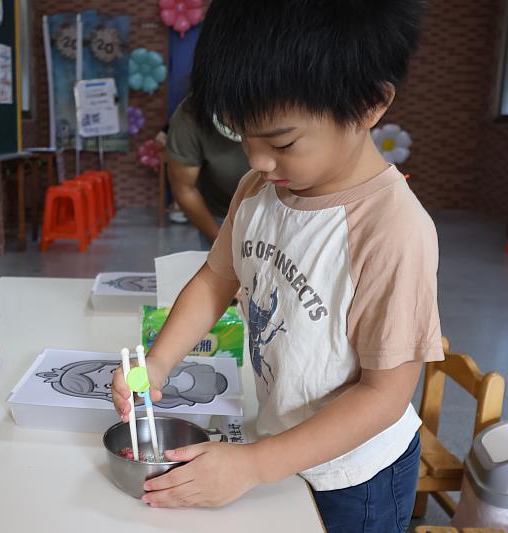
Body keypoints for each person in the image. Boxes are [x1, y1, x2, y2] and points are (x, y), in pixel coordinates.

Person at [112, 1, 443, 531]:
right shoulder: (260, 191)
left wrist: (254, 465)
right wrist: (157, 364)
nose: (259, 160)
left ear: (369, 105)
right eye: (243, 135)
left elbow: (385, 395)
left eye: (283, 142)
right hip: (280, 447)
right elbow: (217, 278)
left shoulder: (392, 230)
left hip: (354, 476)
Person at [166, 96, 251, 249]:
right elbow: (184, 188)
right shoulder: (190, 115)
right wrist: (222, 243)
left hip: (283, 213)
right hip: (221, 214)